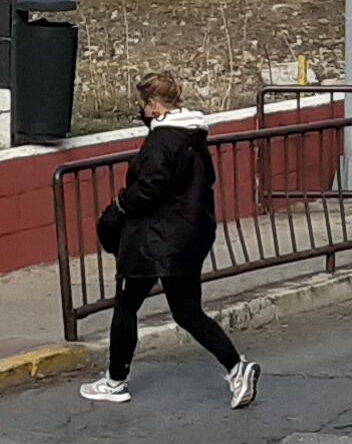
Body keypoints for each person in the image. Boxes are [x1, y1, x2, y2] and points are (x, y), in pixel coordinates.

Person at [85, 72, 255, 409]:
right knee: (188, 312)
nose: (143, 113)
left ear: (154, 106)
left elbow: (151, 187)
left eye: (145, 106)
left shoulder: (163, 141)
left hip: (153, 239)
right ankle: (237, 368)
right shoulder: (194, 137)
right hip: (188, 236)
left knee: (127, 306)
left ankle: (115, 381)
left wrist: (121, 205)